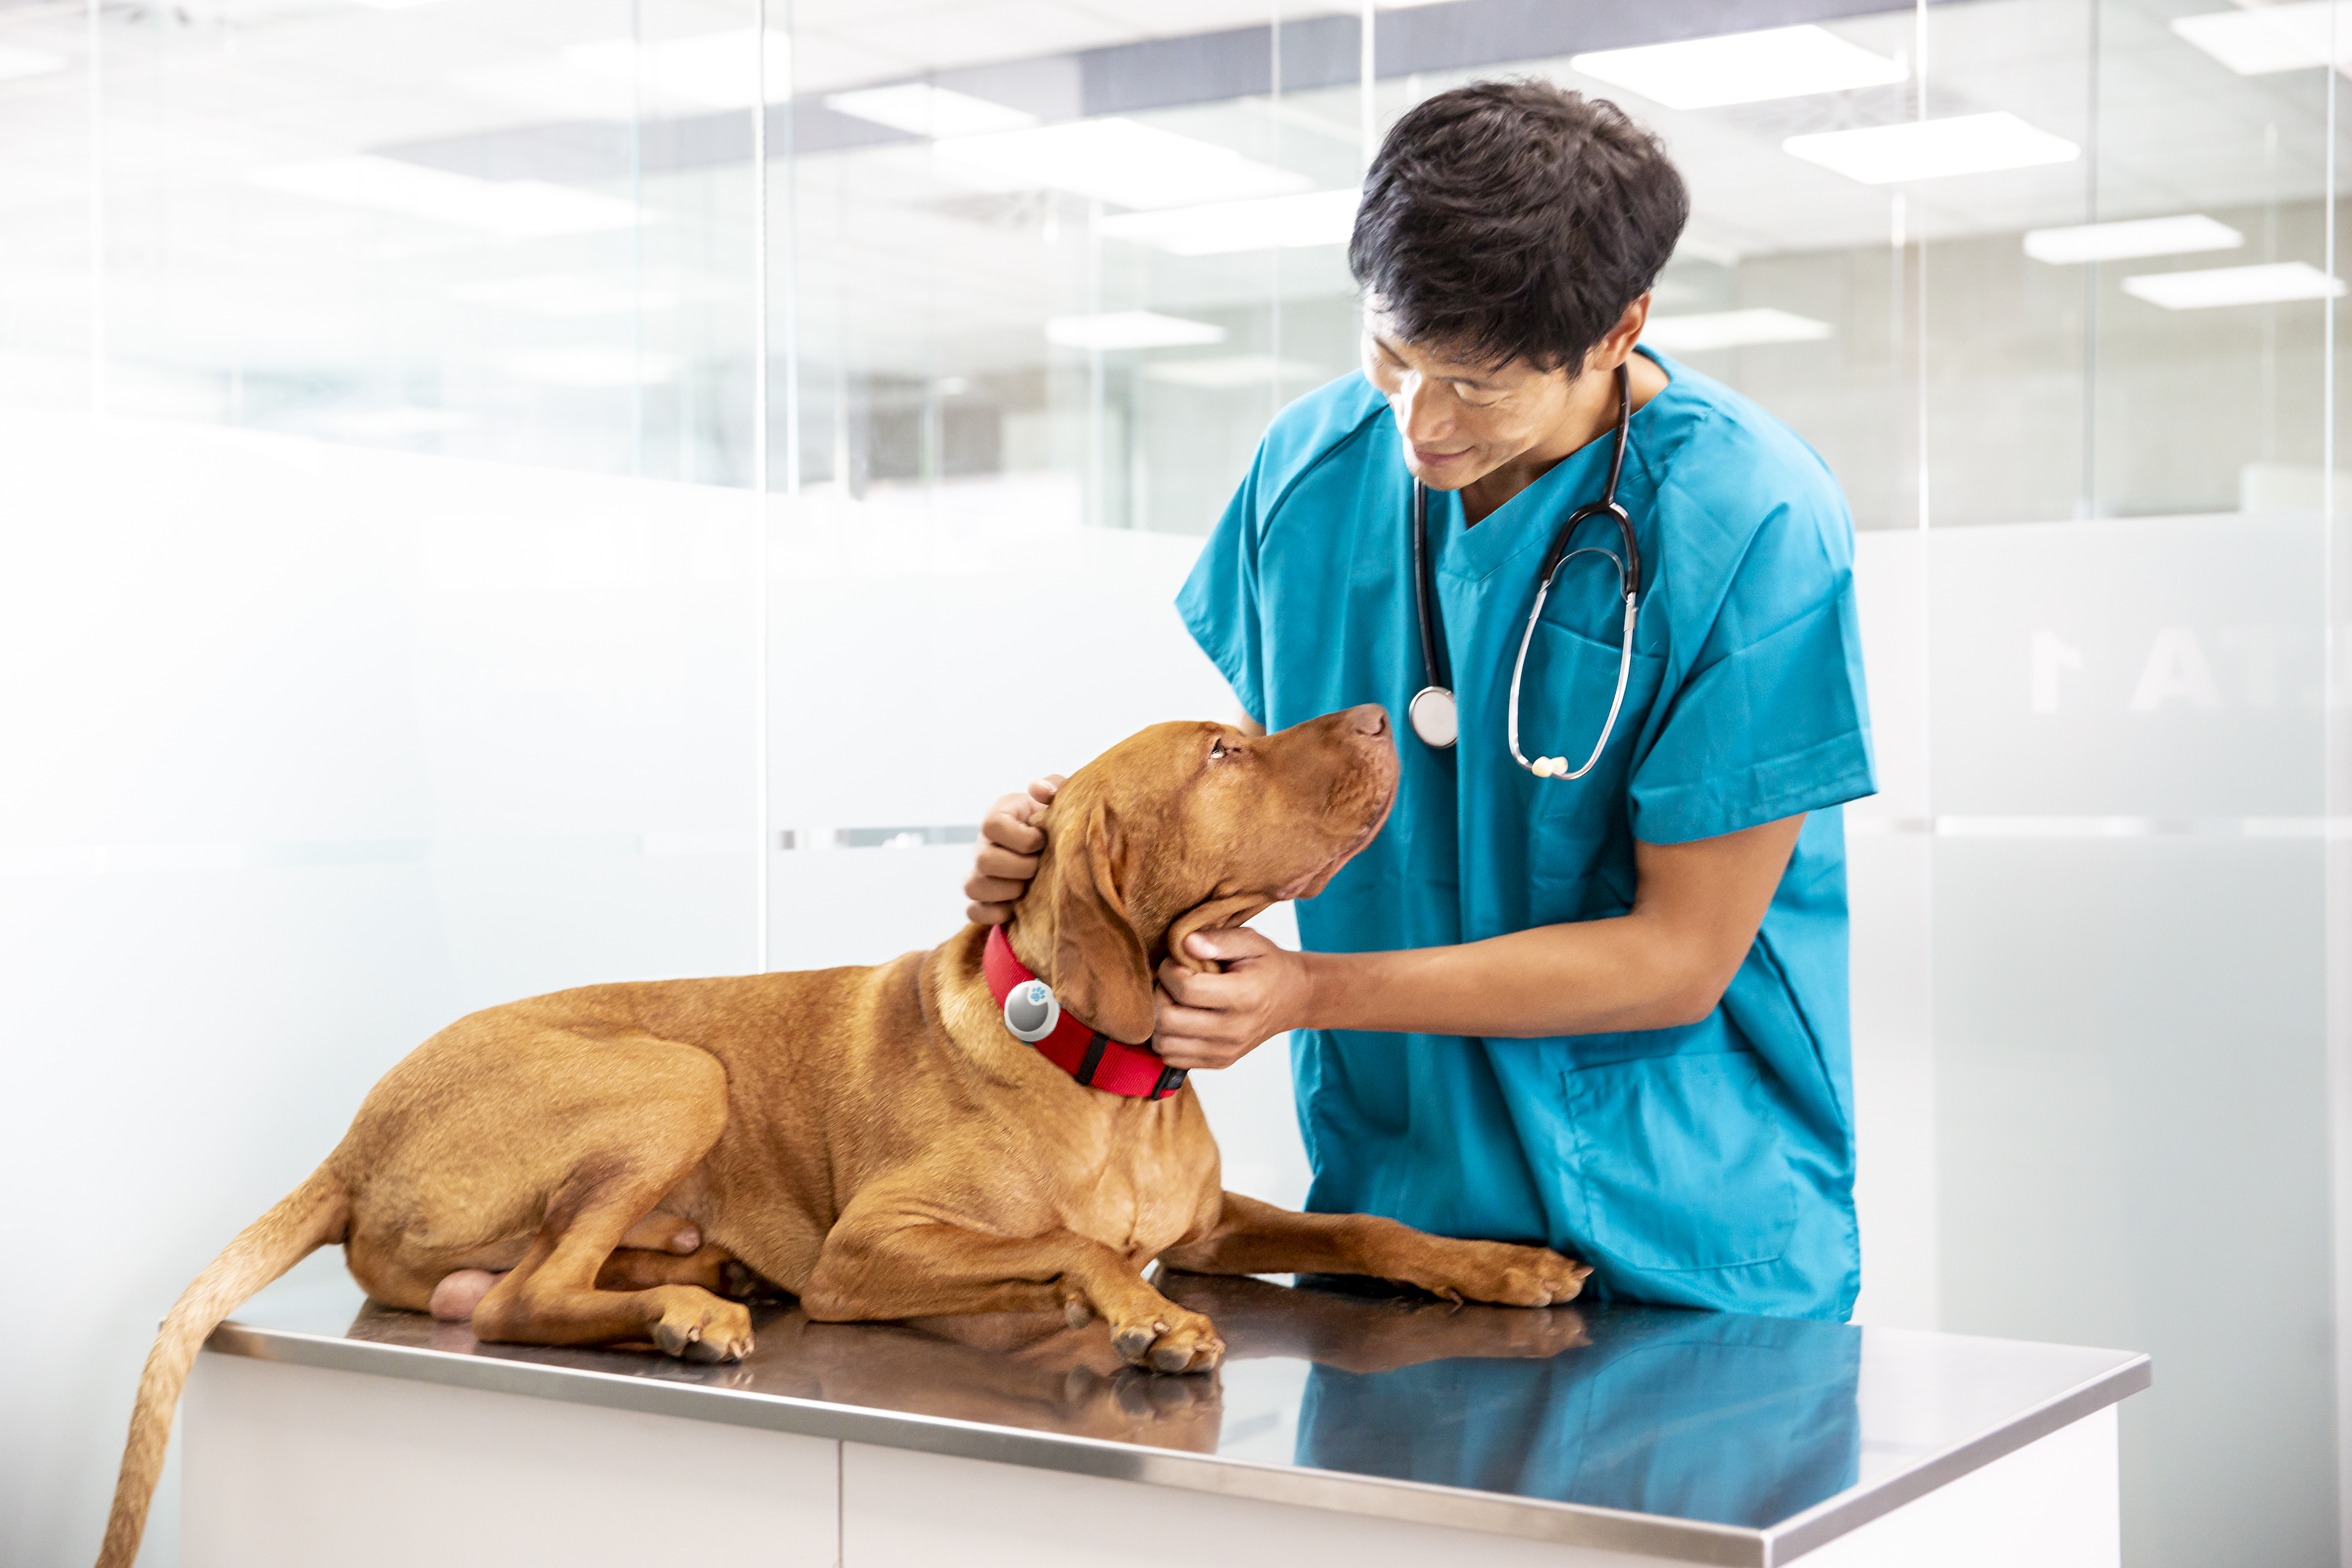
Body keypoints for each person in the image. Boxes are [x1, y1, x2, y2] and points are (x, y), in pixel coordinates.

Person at [964, 81, 1875, 1320]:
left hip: (1682, 1226)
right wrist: (1060, 858)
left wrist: (1308, 996)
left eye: (1477, 383)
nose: (1419, 422)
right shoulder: (1310, 472)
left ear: (1619, 329)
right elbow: (1269, 819)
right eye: (1393, 354)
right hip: (1390, 1224)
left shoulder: (1751, 520)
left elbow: (1678, 956)